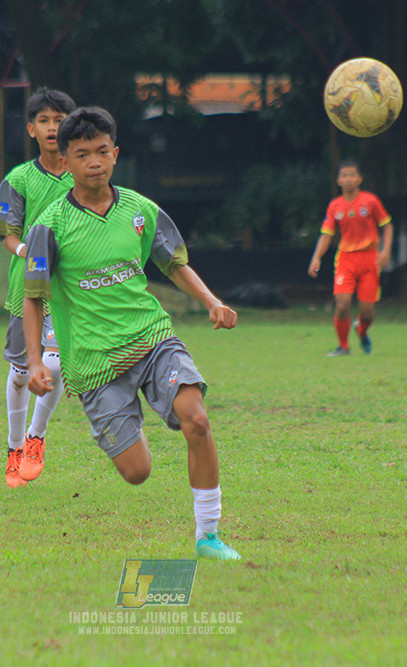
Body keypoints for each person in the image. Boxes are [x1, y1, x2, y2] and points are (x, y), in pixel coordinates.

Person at [22, 107, 241, 560]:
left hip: (151, 338)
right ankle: (121, 426)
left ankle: (208, 535)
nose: (95, 162)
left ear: (116, 154)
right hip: (95, 363)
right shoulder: (49, 226)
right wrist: (37, 360)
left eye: (103, 151)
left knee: (196, 421)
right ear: (65, 161)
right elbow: (33, 297)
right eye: (82, 154)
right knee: (137, 471)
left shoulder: (141, 211)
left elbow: (174, 264)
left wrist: (212, 301)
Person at [0, 87, 76, 487]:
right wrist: (30, 251)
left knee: (56, 364)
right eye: (44, 121)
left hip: (69, 290)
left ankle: (36, 437)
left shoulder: (84, 176)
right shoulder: (19, 179)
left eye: (59, 120)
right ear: (30, 129)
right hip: (26, 288)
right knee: (24, 370)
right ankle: (13, 450)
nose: (52, 127)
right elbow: (7, 235)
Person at [307, 160, 393, 356]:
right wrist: (316, 257)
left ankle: (361, 330)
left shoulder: (370, 201)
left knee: (367, 312)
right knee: (343, 304)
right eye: (344, 176)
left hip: (370, 259)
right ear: (338, 180)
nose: (348, 179)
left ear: (360, 179)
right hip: (346, 259)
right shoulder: (335, 206)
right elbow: (326, 234)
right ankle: (343, 346)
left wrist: (386, 250)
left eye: (352, 175)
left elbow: (387, 225)